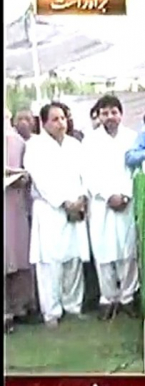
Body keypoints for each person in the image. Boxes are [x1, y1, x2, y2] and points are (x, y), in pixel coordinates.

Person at [24, 102, 91, 329]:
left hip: (76, 209)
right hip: (50, 209)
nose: (61, 123)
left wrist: (81, 199)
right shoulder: (35, 146)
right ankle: (51, 312)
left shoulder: (74, 145)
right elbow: (41, 180)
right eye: (55, 119)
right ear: (44, 123)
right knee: (50, 263)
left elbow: (85, 175)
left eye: (63, 118)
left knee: (73, 259)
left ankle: (73, 306)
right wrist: (64, 203)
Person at [82, 95, 139, 321]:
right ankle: (108, 298)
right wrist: (108, 196)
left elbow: (136, 170)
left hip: (127, 200)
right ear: (99, 116)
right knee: (104, 252)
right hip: (101, 203)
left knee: (128, 251)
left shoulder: (132, 138)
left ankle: (128, 297)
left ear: (121, 114)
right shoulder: (90, 140)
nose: (110, 117)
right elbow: (87, 173)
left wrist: (125, 195)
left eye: (113, 112)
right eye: (105, 113)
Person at [5, 110, 38, 333]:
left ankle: (22, 308)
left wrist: (22, 177)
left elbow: (31, 171)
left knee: (20, 257)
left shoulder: (18, 142)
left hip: (17, 206)